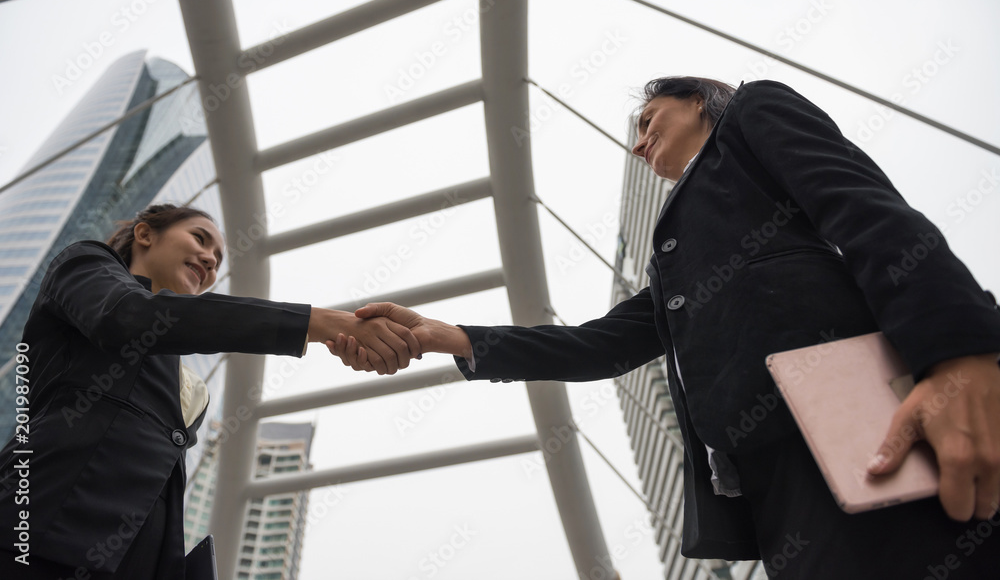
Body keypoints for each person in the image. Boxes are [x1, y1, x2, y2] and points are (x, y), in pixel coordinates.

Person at [338, 78, 1000, 577]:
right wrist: (444, 335)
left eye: (649, 117)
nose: (639, 139)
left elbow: (866, 211)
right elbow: (598, 343)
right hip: (773, 484)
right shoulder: (679, 260)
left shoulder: (753, 113)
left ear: (697, 99)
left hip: (862, 422)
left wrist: (961, 357)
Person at [0, 203, 419, 579]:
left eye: (217, 259)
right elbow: (128, 318)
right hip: (36, 530)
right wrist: (322, 322)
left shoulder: (188, 385)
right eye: (200, 239)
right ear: (145, 234)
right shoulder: (86, 265)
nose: (209, 259)